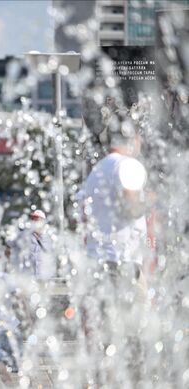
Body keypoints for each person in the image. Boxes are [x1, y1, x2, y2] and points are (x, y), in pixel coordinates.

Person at [79, 104, 149, 386]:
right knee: (134, 334)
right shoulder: (128, 165)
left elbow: (82, 217)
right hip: (123, 264)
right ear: (132, 139)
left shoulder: (97, 170)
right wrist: (156, 199)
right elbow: (131, 207)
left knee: (103, 335)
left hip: (98, 260)